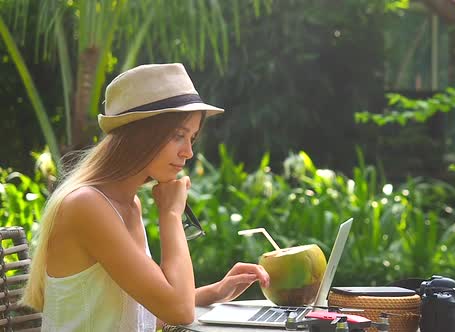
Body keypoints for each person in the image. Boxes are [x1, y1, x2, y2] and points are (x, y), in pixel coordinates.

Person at [22, 63, 270, 331]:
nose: (188, 152)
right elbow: (179, 312)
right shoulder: (86, 205)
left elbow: (144, 314)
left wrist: (215, 292)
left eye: (192, 138)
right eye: (178, 136)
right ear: (141, 135)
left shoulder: (128, 204)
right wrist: (171, 214)